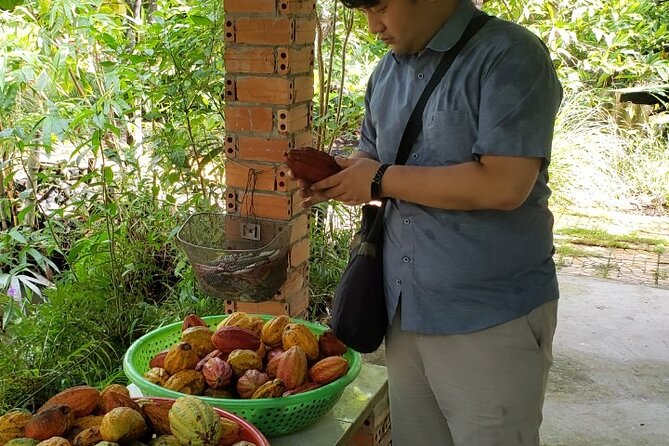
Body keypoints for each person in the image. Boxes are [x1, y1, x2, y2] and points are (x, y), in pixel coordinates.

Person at [292, 0, 563, 444]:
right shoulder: (387, 72)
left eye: (379, 7)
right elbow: (375, 156)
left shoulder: (509, 55)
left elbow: (505, 184)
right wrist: (341, 177)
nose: (372, 25)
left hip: (489, 315)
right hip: (404, 307)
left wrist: (377, 178)